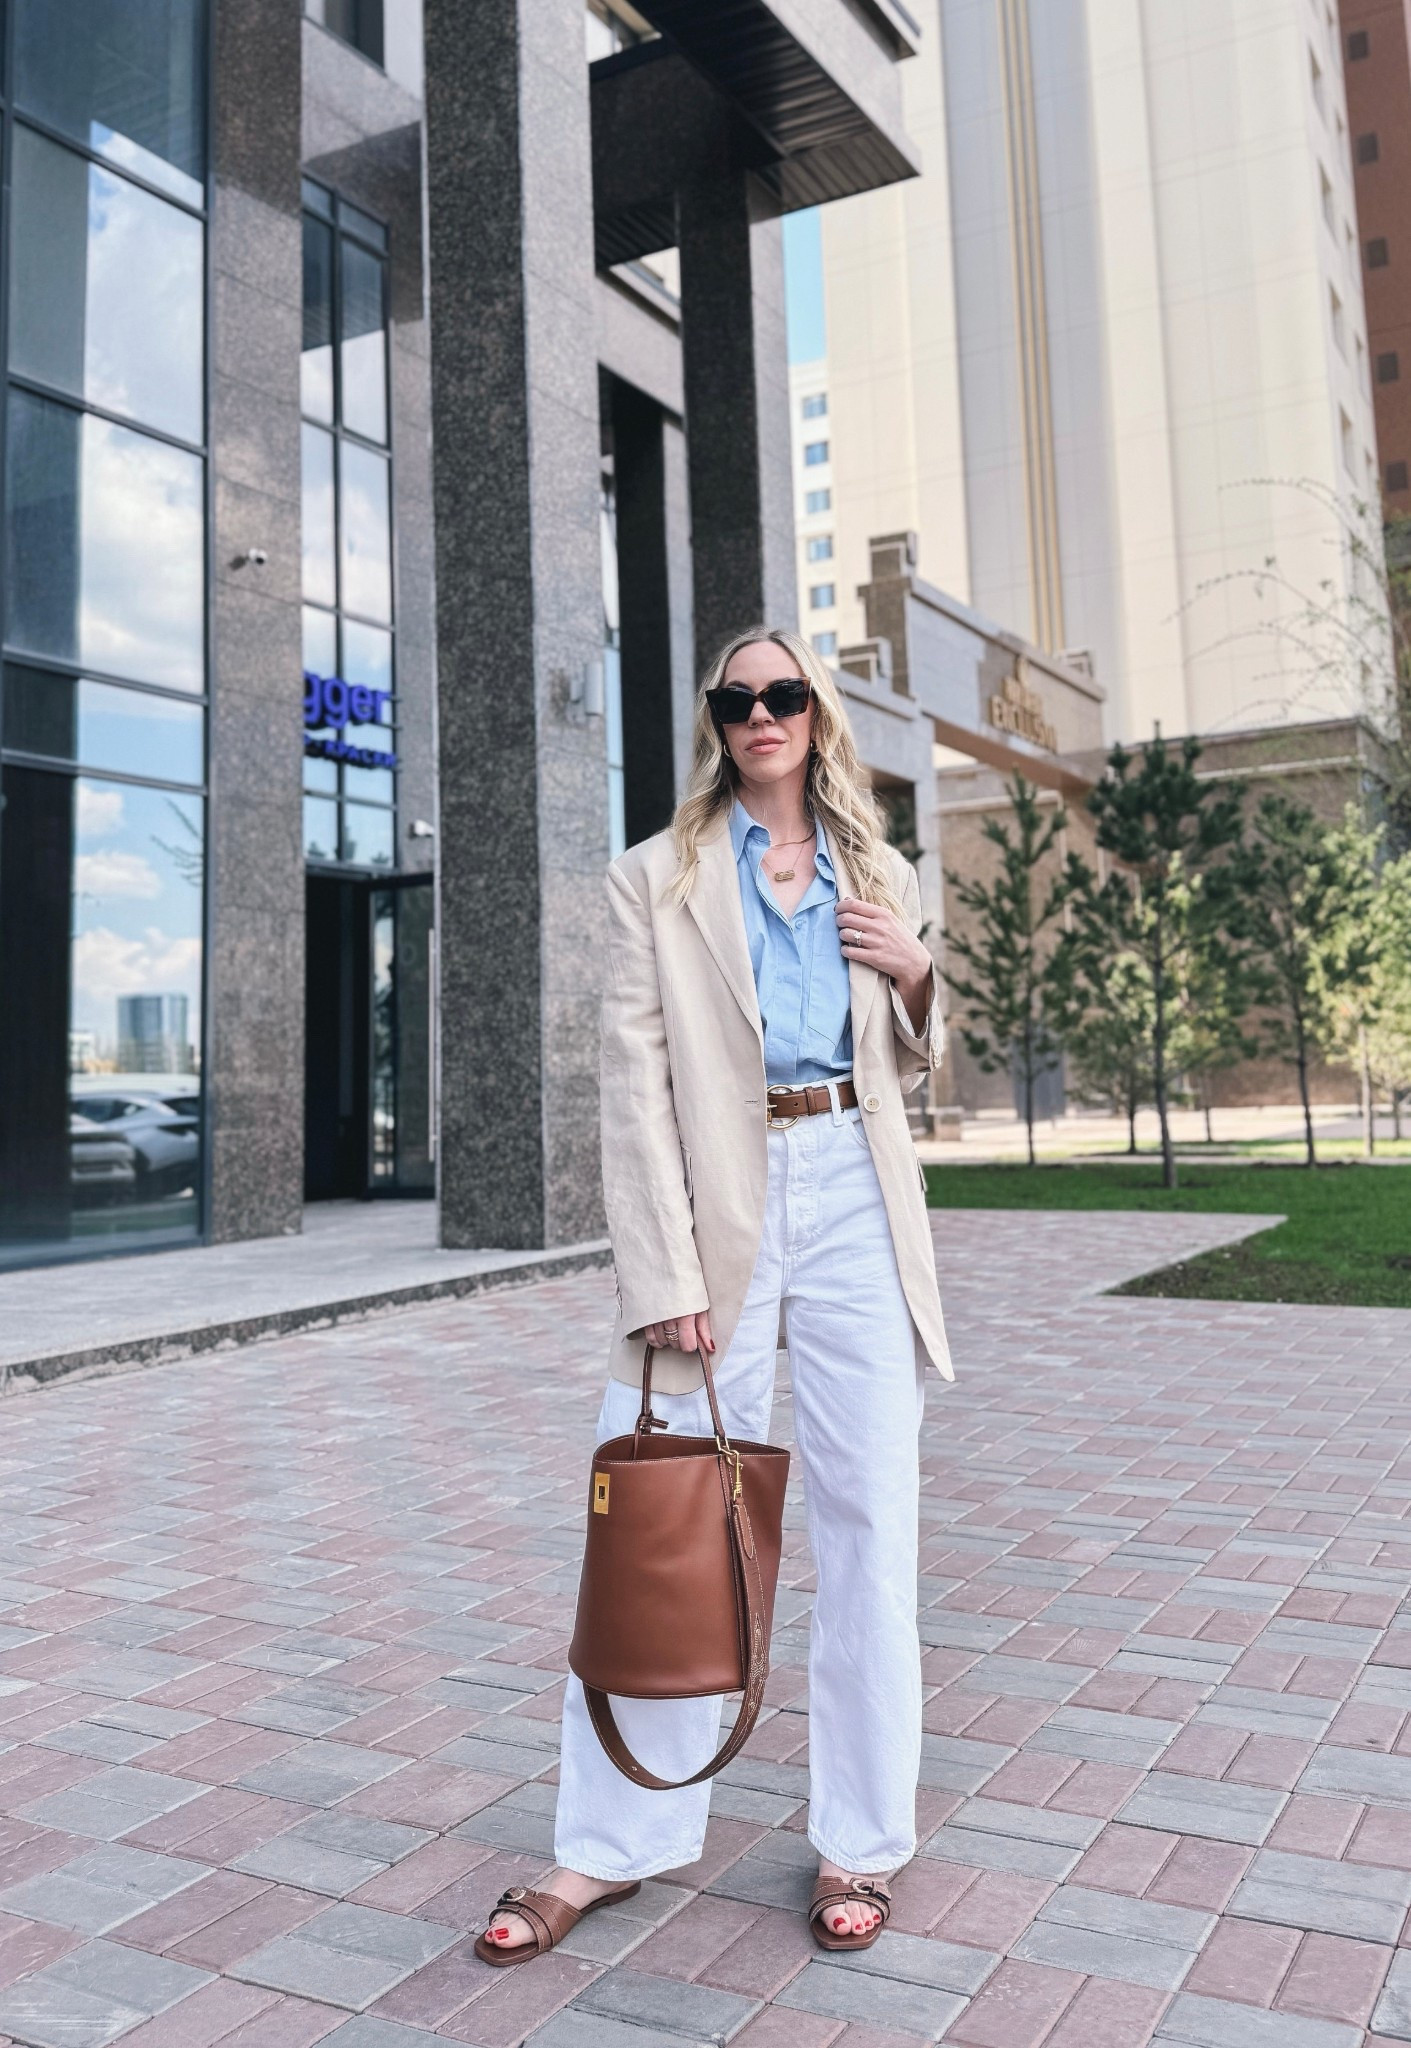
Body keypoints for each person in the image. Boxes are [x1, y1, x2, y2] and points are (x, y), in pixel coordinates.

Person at [473, 625, 953, 1968]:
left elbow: (909, 1062)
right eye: (737, 698)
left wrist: (917, 974)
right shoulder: (657, 875)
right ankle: (607, 1845)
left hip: (856, 1187)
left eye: (784, 693)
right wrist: (664, 1272)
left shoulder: (881, 871)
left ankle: (862, 1841)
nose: (761, 713)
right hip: (719, 1201)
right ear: (716, 720)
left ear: (816, 715)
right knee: (667, 1522)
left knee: (872, 1524)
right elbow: (632, 1090)